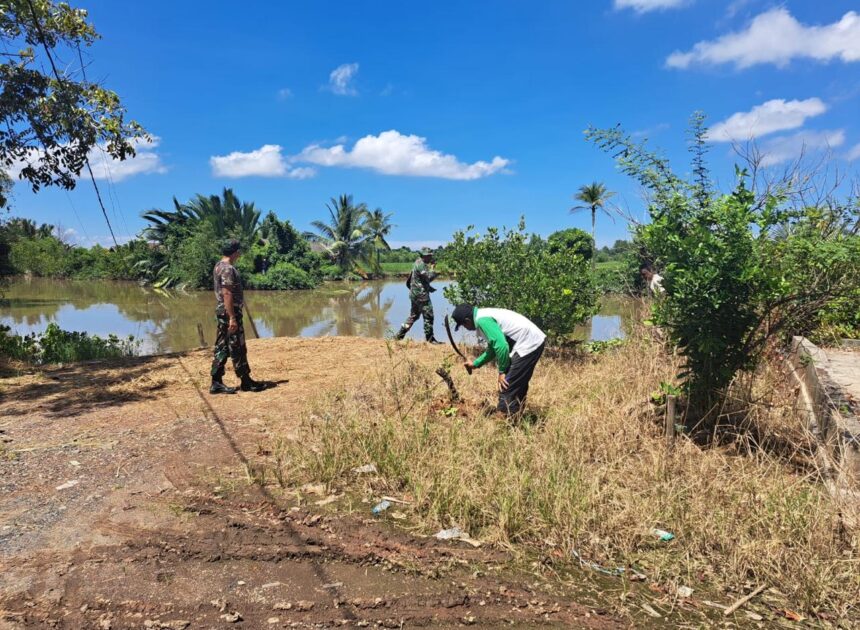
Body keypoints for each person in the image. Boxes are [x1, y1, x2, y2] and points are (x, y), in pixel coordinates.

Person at [451, 303, 546, 416]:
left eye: (463, 325)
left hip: (528, 343)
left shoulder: (482, 320)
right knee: (517, 382)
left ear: (467, 320)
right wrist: (476, 363)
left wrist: (502, 371)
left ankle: (501, 422)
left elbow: (501, 346)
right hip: (532, 340)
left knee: (507, 385)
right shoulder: (483, 315)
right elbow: (493, 348)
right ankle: (515, 419)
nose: (465, 328)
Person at [210, 239, 268, 394]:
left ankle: (216, 382)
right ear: (235, 252)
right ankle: (246, 382)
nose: (240, 254)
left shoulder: (218, 266)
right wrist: (232, 317)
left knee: (222, 345)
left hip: (222, 311)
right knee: (238, 346)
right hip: (230, 311)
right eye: (239, 251)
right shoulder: (228, 269)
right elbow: (227, 293)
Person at [394, 247, 442, 343]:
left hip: (415, 295)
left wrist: (428, 288)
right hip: (421, 296)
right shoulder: (421, 265)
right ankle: (430, 339)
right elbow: (428, 277)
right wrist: (433, 269)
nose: (431, 257)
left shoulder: (417, 263)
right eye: (429, 256)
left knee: (414, 316)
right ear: (425, 256)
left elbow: (412, 281)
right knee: (429, 315)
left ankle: (399, 336)